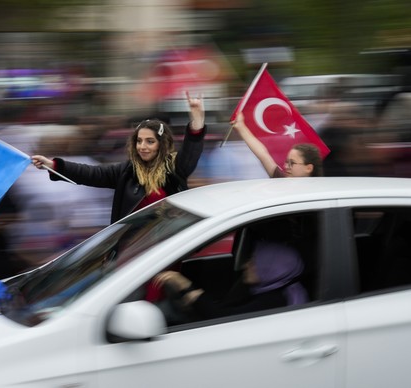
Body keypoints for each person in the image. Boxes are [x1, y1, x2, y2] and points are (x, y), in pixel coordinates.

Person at [31, 91, 206, 224]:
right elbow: (90, 173)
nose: (142, 147)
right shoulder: (126, 172)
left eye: (150, 141)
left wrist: (197, 120)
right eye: (139, 141)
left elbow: (191, 151)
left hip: (168, 249)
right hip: (131, 249)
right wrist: (53, 165)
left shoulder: (175, 169)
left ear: (162, 144)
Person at [153, 222, 309, 321]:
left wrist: (185, 286)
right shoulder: (268, 288)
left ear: (272, 269)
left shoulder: (275, 301)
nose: (245, 265)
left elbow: (221, 318)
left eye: (254, 262)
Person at [231, 111, 323, 178]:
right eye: (286, 162)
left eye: (292, 163)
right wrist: (241, 127)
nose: (286, 167)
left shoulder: (319, 196)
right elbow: (263, 155)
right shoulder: (282, 181)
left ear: (308, 168)